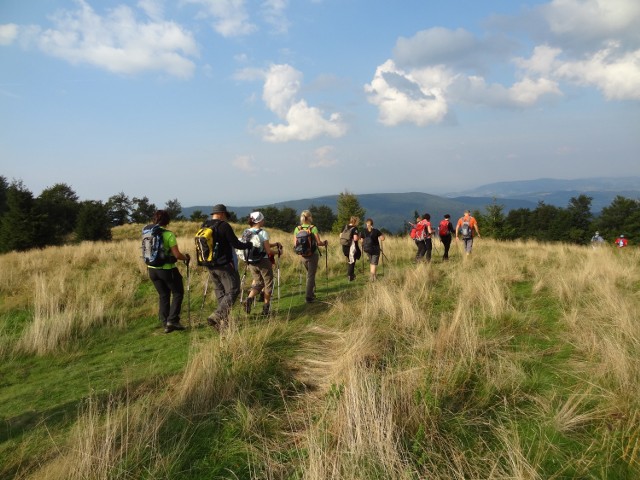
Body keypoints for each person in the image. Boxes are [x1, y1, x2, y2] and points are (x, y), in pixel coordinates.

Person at [203, 204, 252, 331]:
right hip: (225, 265)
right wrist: (248, 245)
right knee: (234, 290)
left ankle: (222, 324)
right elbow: (236, 243)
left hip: (210, 264)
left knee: (221, 292)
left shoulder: (205, 225)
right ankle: (217, 316)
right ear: (223, 214)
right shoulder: (224, 226)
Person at [145, 210, 190, 333]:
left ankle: (165, 323)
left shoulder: (147, 233)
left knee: (163, 295)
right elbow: (177, 254)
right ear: (167, 221)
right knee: (178, 293)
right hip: (167, 269)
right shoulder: (168, 234)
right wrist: (185, 257)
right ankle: (173, 320)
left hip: (152, 269)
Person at [240, 211, 282, 316]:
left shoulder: (246, 232)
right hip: (263, 261)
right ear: (260, 221)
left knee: (259, 283)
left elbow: (263, 245)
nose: (264, 221)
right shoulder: (263, 233)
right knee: (268, 284)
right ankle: (266, 309)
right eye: (263, 219)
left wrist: (275, 244)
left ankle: (249, 299)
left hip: (250, 262)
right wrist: (278, 252)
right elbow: (268, 251)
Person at [293, 210, 328, 303]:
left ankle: (311, 293)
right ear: (310, 217)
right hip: (313, 254)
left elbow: (295, 244)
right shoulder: (313, 228)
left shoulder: (297, 229)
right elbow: (319, 243)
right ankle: (309, 296)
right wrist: (325, 243)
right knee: (311, 276)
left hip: (302, 255)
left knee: (309, 274)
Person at [341, 216, 361, 281]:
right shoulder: (355, 228)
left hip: (344, 246)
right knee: (352, 261)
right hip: (351, 247)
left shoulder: (345, 227)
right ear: (355, 221)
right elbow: (355, 238)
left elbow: (340, 235)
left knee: (350, 260)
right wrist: (359, 237)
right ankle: (350, 276)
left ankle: (351, 275)